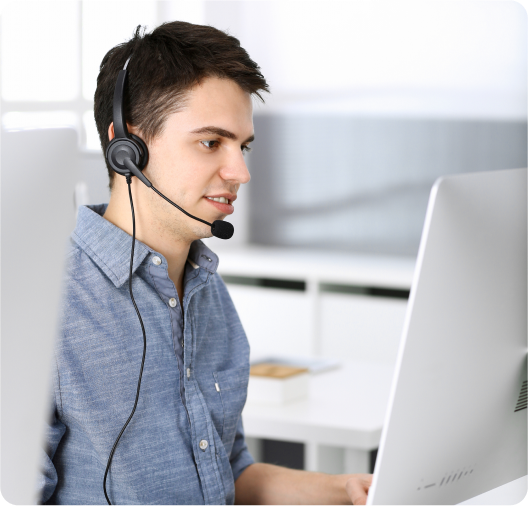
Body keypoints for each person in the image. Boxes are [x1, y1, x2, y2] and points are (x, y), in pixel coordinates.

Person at [39, 21, 372, 505]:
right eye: (211, 142)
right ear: (126, 150)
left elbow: (226, 472)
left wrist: (344, 489)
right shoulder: (40, 300)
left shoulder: (203, 287)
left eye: (244, 146)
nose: (241, 173)